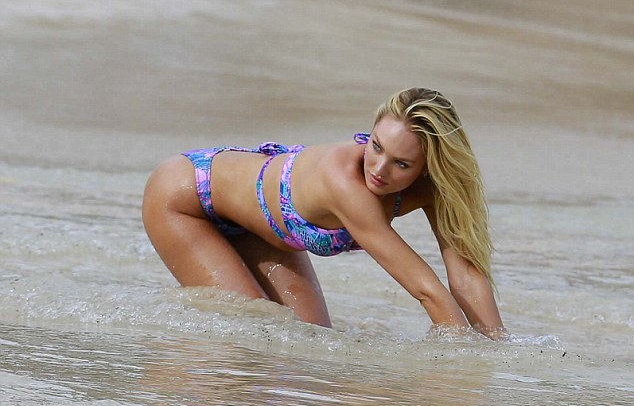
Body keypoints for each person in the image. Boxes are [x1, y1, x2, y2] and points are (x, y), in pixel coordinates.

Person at [142, 88, 505, 338]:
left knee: (306, 347)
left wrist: (497, 350)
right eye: (376, 146)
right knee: (253, 336)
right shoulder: (344, 182)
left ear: (428, 167)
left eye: (402, 164)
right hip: (187, 197)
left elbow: (466, 276)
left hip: (260, 228)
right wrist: (460, 374)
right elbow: (428, 293)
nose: (379, 169)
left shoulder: (434, 191)